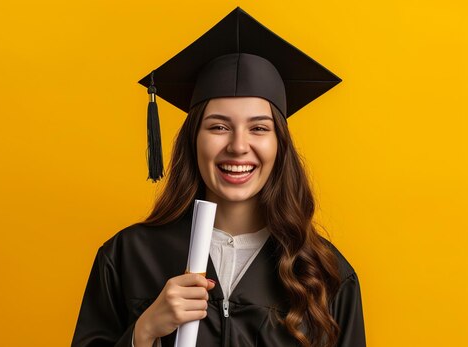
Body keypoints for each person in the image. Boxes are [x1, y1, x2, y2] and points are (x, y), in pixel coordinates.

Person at [71, 7, 366, 347]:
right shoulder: (128, 256)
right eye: (219, 126)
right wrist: (144, 332)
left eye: (258, 128)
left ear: (280, 145)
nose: (238, 146)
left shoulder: (325, 274)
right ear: (194, 139)